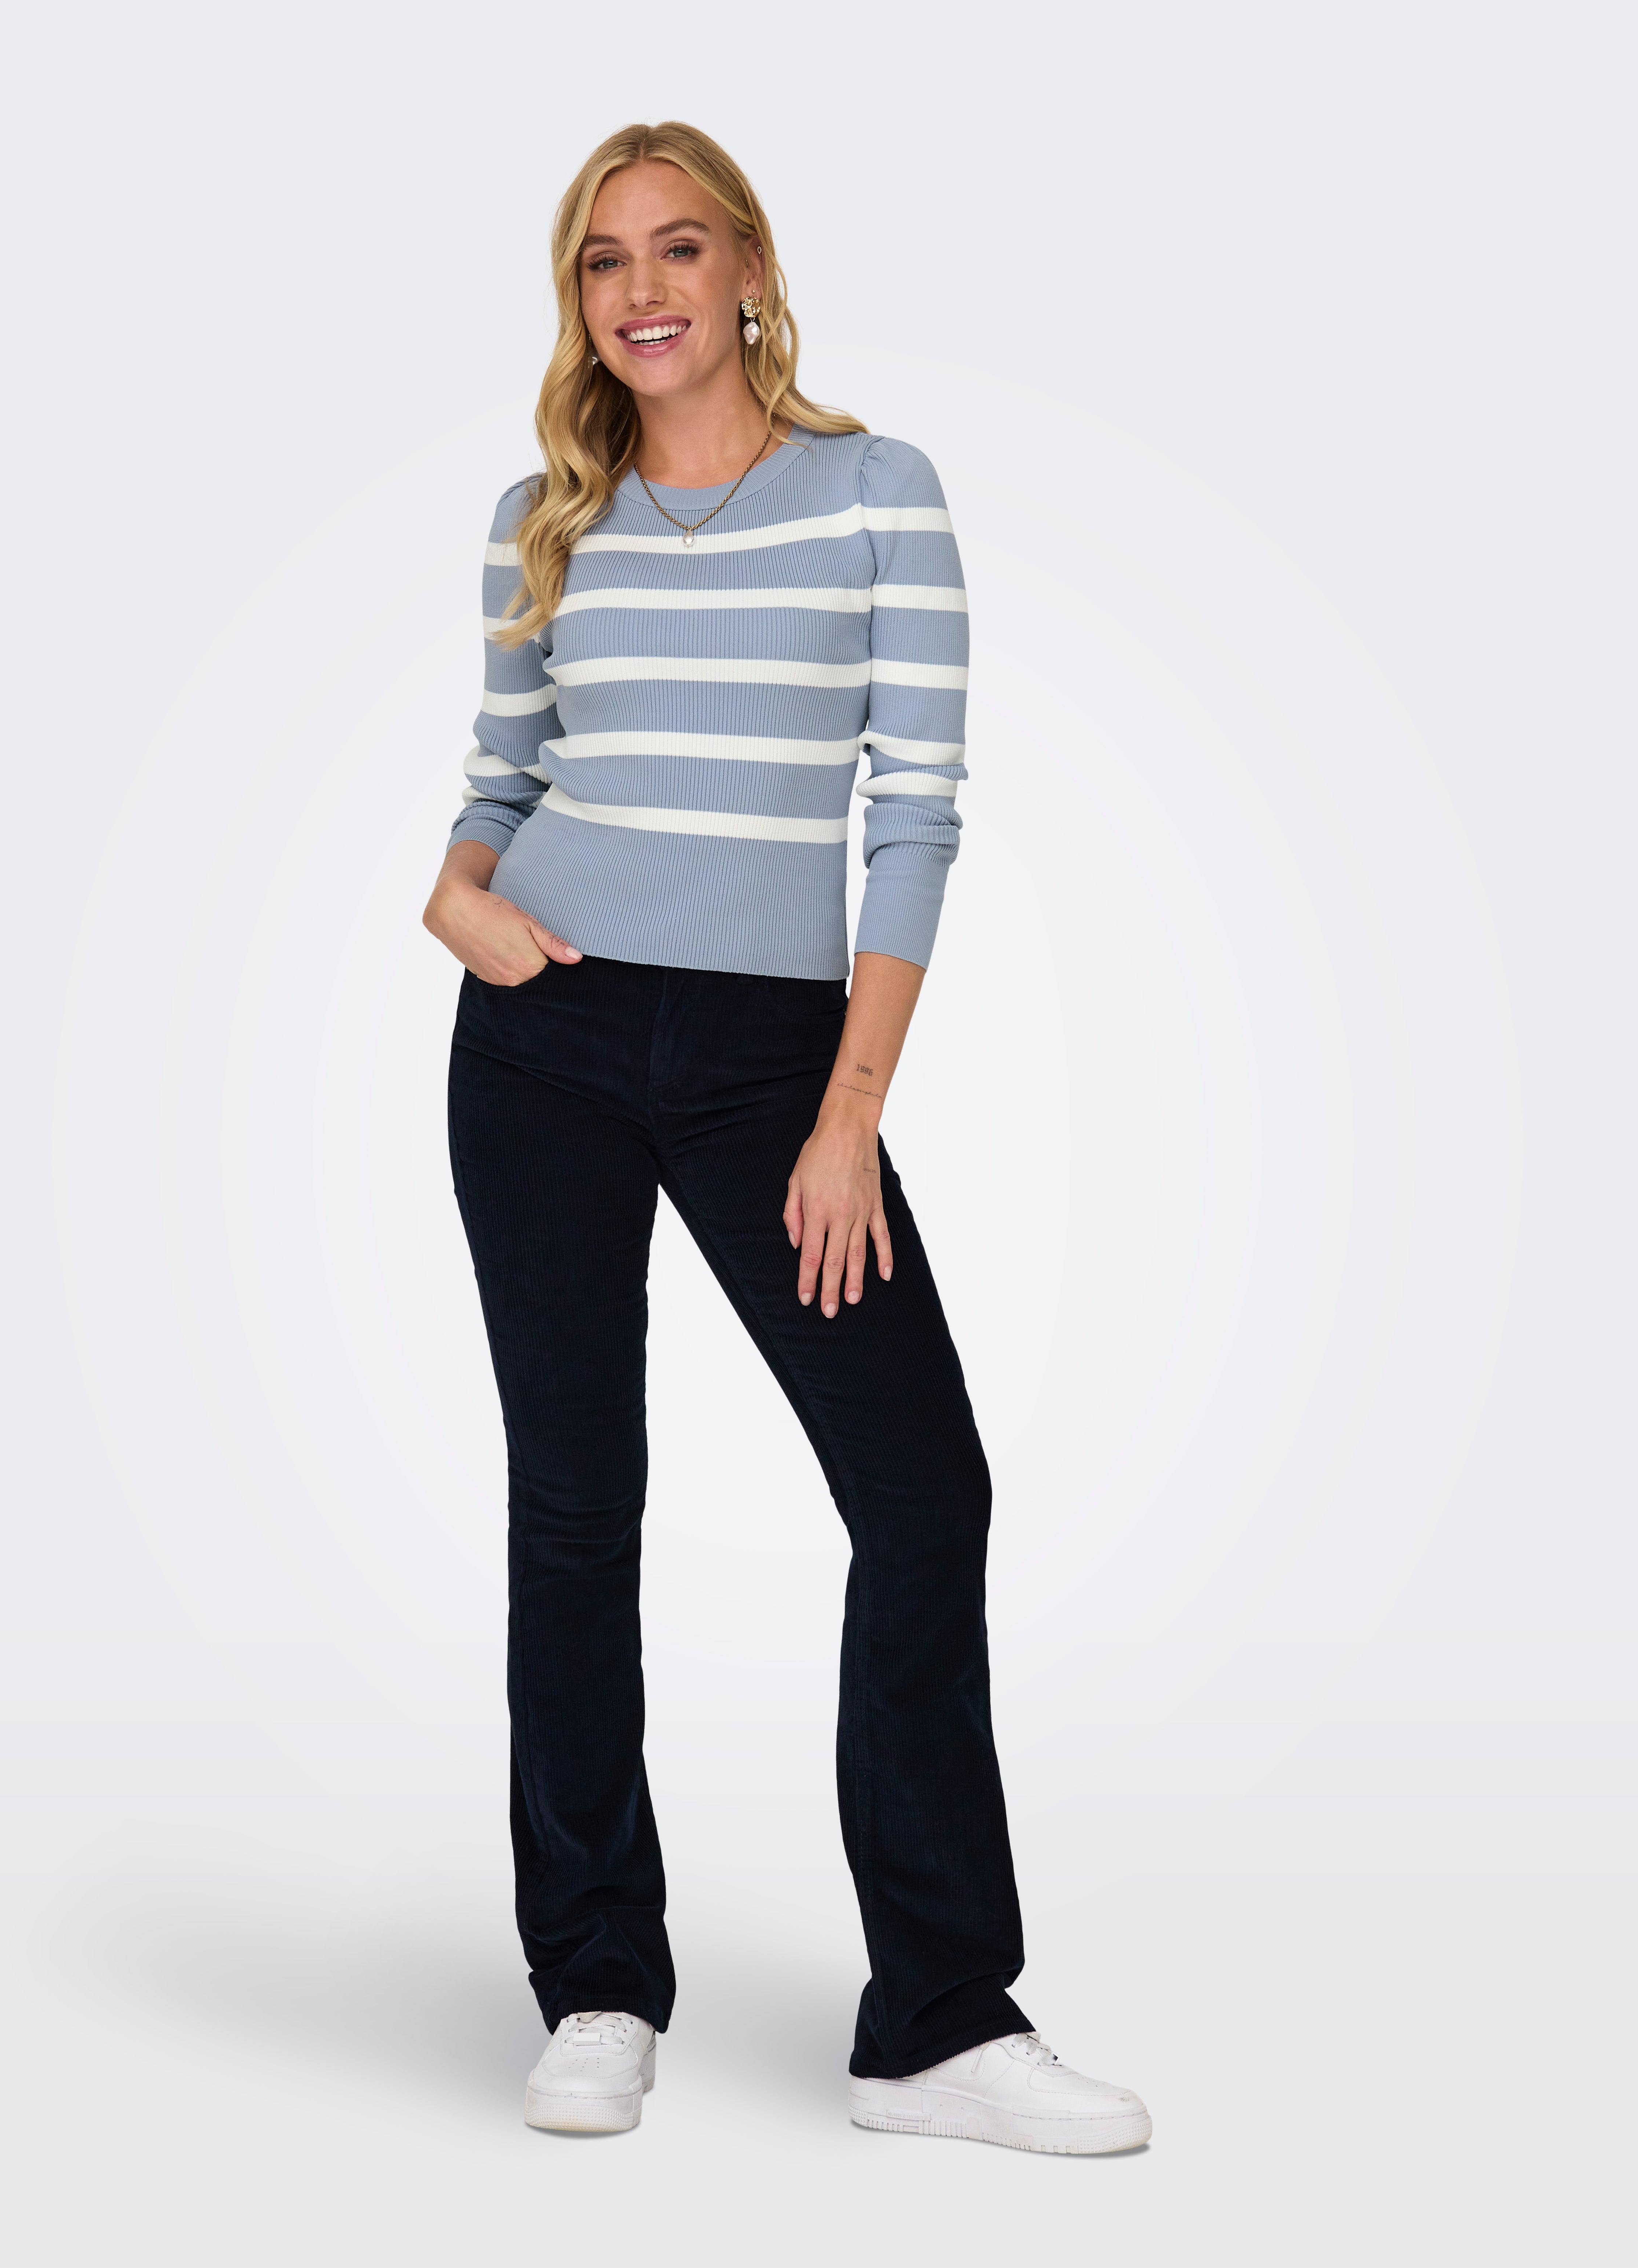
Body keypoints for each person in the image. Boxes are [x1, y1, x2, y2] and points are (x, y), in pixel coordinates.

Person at [422, 120, 1150, 2155]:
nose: (640, 290)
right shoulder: (543, 516)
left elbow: (914, 812)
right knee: (576, 1507)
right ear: (577, 298)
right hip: (542, 1033)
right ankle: (594, 1979)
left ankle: (935, 2020)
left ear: (748, 267)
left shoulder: (873, 492)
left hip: (772, 1061)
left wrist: (848, 1117)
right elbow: (503, 773)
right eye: (602, 260)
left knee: (919, 1494)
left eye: (678, 248)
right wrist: (457, 895)